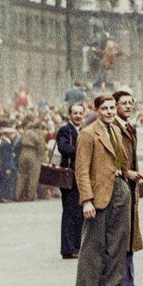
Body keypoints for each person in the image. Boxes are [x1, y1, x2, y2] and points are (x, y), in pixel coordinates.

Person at [74, 93, 133, 286]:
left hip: (118, 188)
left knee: (118, 241)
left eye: (111, 108)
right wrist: (87, 200)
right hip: (98, 194)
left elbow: (118, 161)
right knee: (93, 244)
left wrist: (127, 174)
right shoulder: (88, 134)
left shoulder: (116, 130)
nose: (109, 112)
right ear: (97, 110)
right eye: (105, 109)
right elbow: (81, 170)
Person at [114, 89, 143, 286]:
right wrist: (126, 172)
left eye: (130, 102)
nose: (128, 106)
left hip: (130, 189)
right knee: (123, 238)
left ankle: (129, 284)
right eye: (123, 103)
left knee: (129, 238)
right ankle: (124, 285)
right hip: (121, 187)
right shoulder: (115, 128)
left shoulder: (128, 127)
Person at [56, 103, 85, 258]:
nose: (78, 116)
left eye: (80, 113)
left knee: (80, 213)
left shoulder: (85, 130)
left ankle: (78, 246)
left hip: (82, 175)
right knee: (69, 212)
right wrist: (82, 151)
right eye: (75, 113)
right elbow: (63, 148)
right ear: (70, 115)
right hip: (68, 176)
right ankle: (68, 248)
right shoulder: (65, 130)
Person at [16, 123, 44, 202]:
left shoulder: (24, 133)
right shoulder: (37, 134)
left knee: (21, 175)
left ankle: (17, 195)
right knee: (33, 176)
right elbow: (40, 146)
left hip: (23, 153)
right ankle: (30, 196)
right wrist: (41, 158)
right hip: (33, 153)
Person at [0, 127, 19, 202]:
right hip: (6, 165)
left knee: (4, 181)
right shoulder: (6, 143)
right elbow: (6, 156)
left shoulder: (3, 142)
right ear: (7, 134)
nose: (13, 135)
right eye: (12, 134)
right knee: (6, 181)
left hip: (4, 164)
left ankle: (3, 197)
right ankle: (5, 197)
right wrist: (8, 167)